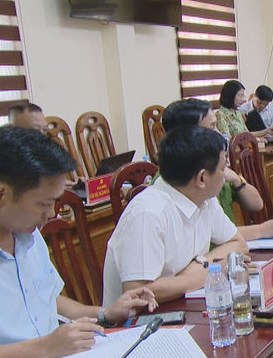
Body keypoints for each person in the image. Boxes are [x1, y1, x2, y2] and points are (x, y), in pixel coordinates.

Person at [0, 127, 157, 358]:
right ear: (1, 194)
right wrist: (44, 347)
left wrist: (103, 313)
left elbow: (49, 301)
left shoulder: (29, 237)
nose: (50, 214)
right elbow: (45, 343)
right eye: (42, 204)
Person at [103, 125, 248, 305]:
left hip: (181, 306)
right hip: (140, 325)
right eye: (223, 167)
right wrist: (210, 271)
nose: (226, 173)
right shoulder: (148, 213)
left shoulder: (204, 199)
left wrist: (199, 265)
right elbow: (137, 293)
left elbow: (238, 244)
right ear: (202, 178)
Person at [161, 99, 273, 241]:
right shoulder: (176, 181)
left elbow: (257, 204)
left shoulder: (215, 167)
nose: (219, 133)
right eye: (212, 127)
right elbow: (211, 237)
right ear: (191, 134)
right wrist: (261, 230)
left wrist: (237, 180)